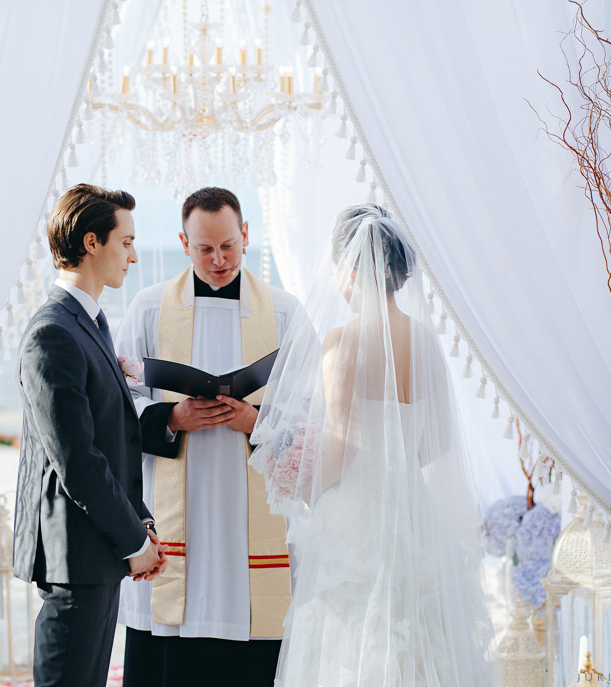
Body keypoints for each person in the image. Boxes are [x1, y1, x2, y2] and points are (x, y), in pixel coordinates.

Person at [250, 204, 493, 686]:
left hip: (355, 515)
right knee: (420, 630)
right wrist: (396, 463)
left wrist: (304, 479)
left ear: (354, 268)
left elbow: (341, 445)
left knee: (347, 638)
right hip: (411, 510)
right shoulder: (426, 342)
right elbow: (438, 440)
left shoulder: (342, 343)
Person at [115, 187, 305, 687]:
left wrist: (255, 422)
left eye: (228, 245)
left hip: (254, 525)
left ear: (245, 236)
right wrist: (172, 417)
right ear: (183, 242)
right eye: (204, 248)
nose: (219, 259)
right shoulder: (149, 309)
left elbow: (313, 412)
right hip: (179, 519)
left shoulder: (286, 313)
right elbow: (115, 406)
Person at [12, 183, 166, 687]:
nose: (135, 256)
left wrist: (140, 525)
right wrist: (132, 542)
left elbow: (111, 439)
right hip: (73, 560)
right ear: (92, 242)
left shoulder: (90, 324)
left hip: (96, 557)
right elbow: (78, 460)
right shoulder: (53, 331)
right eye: (125, 243)